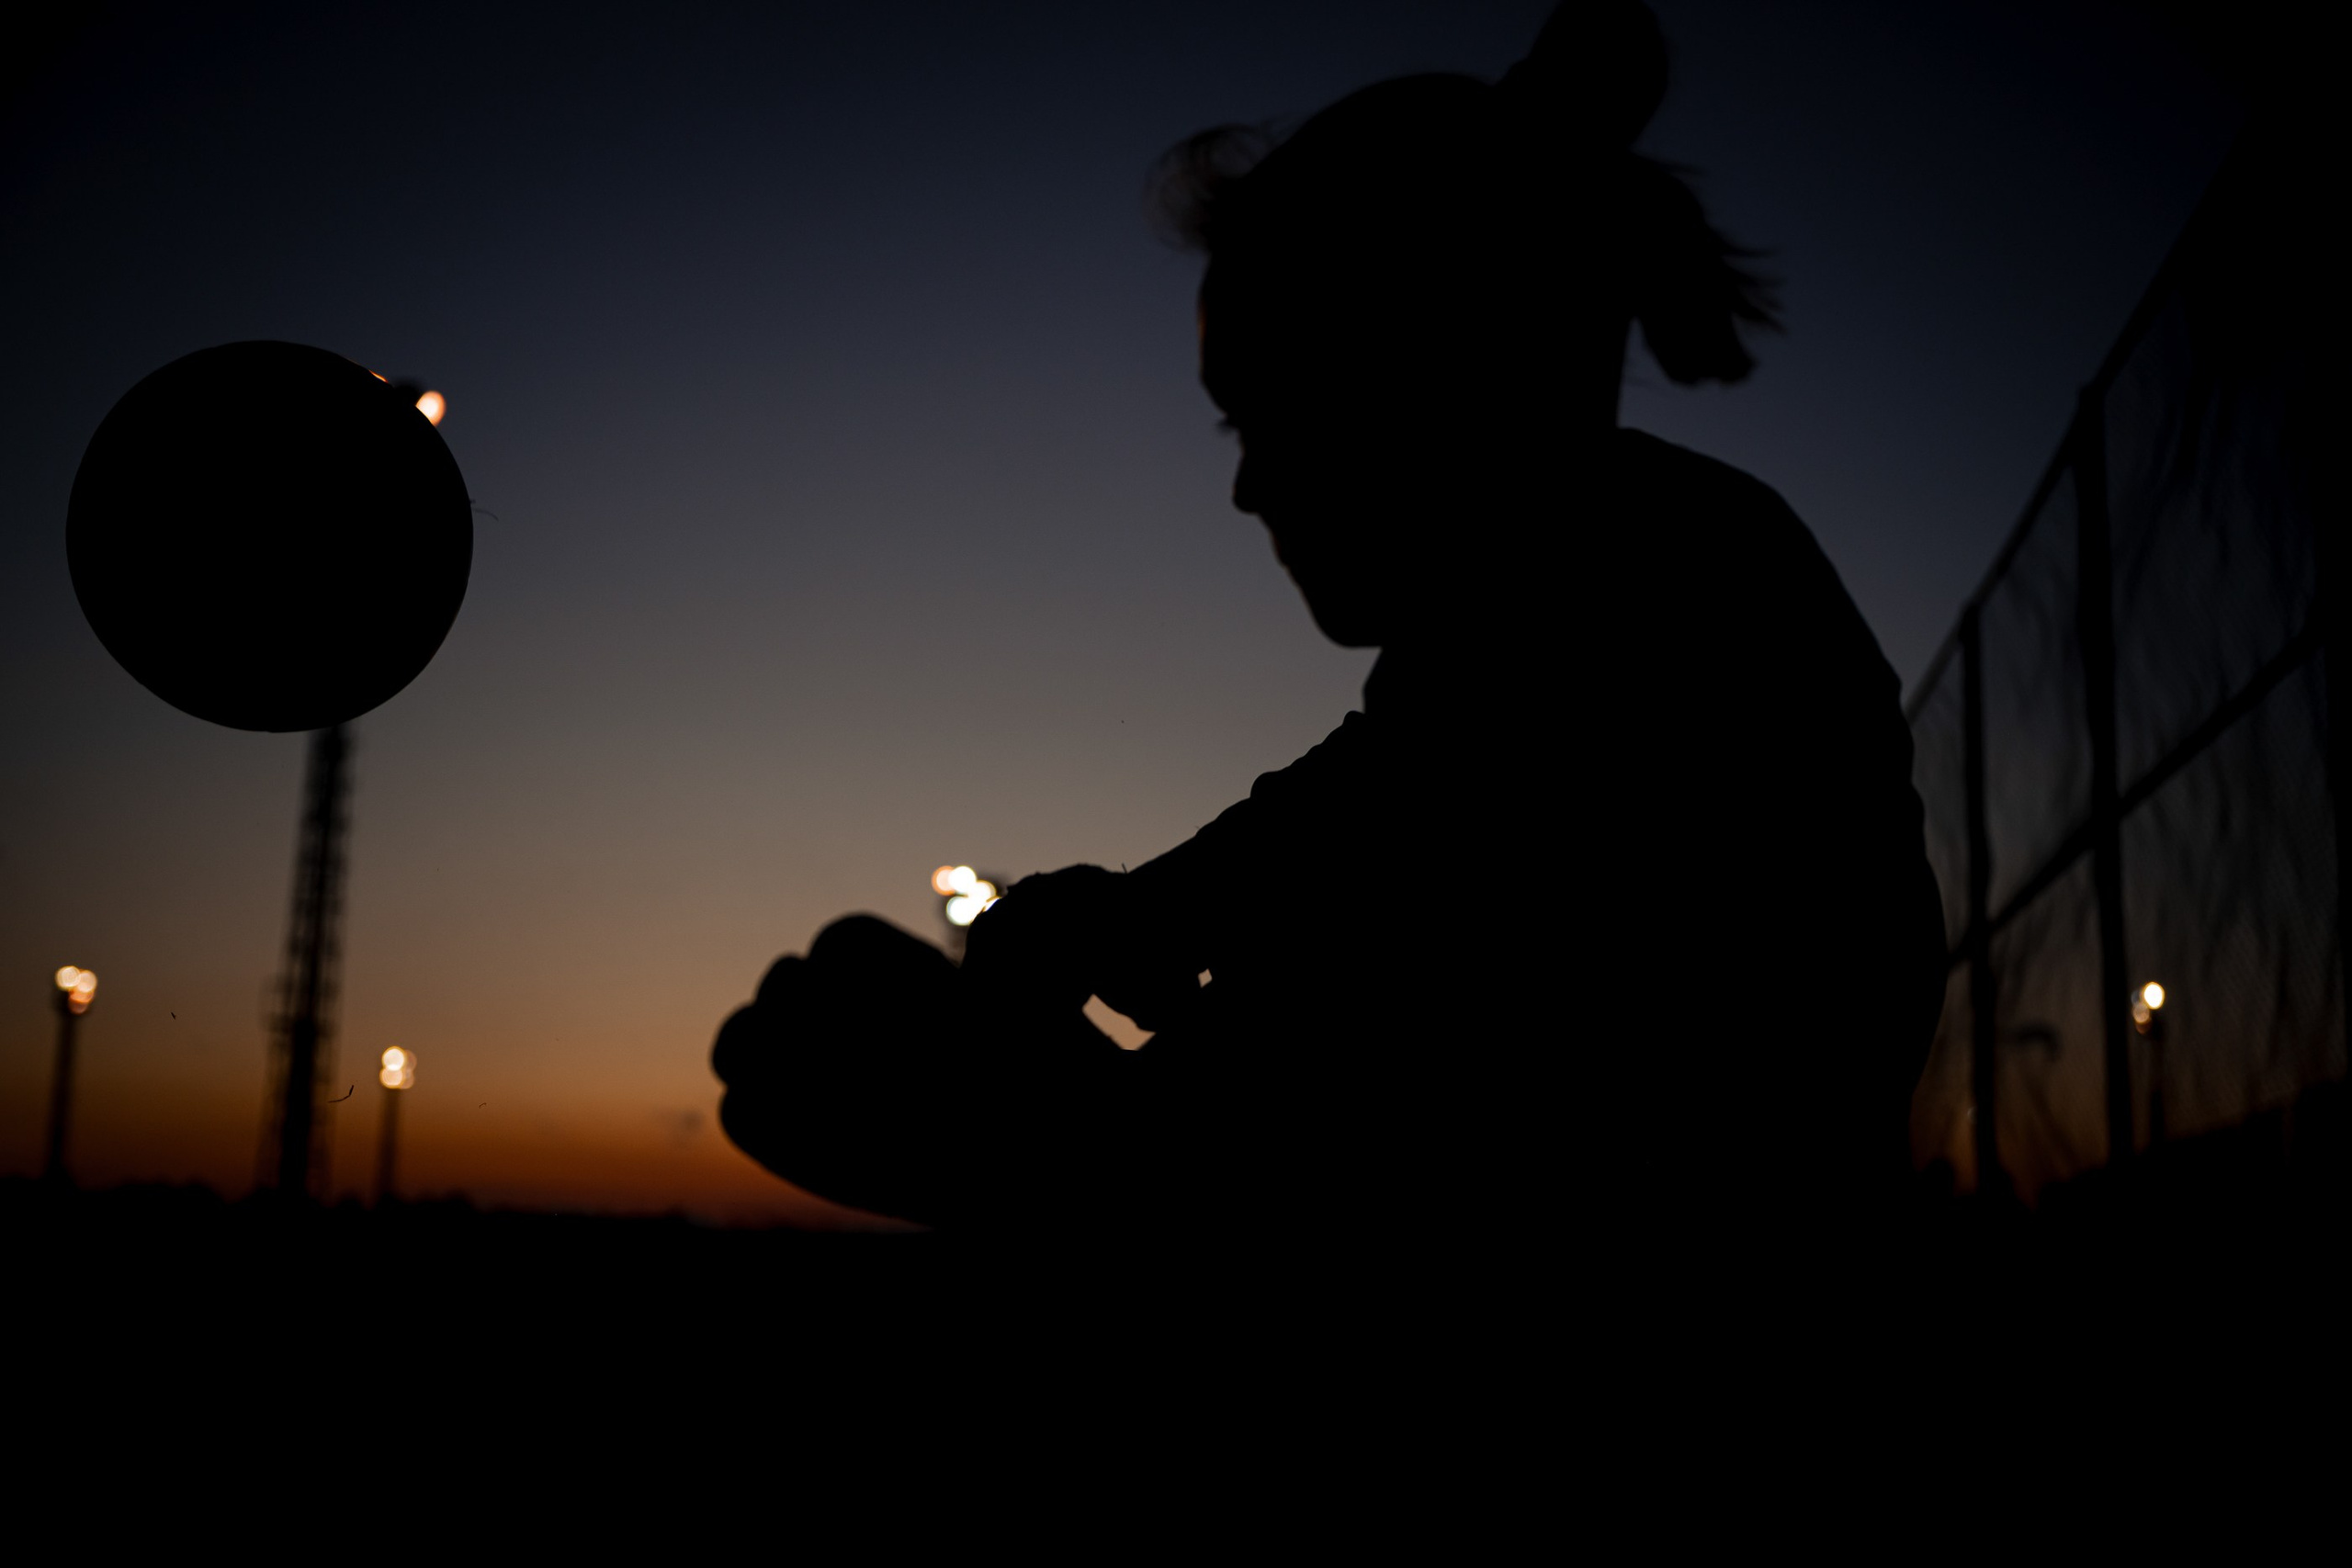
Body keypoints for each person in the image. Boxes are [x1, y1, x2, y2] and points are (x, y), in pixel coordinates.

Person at [711, 1, 1946, 1244]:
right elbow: (1363, 814)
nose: (1245, 484)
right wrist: (1138, 930)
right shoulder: (1597, 579)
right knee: (867, 1006)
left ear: (1434, 370)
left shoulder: (1645, 579)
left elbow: (1392, 847)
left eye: (1266, 415)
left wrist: (1068, 1123)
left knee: (852, 1028)